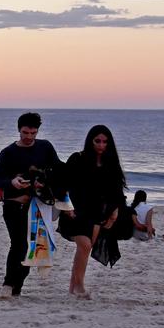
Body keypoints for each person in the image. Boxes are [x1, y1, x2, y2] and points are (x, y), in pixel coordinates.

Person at [0, 113, 61, 298]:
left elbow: (58, 170)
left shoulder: (45, 147)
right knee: (18, 245)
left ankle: (17, 287)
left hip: (39, 207)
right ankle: (8, 284)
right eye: (25, 132)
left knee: (32, 248)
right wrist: (13, 182)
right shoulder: (8, 153)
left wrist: (44, 182)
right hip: (14, 206)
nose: (29, 137)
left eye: (33, 133)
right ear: (18, 130)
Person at [57, 125, 128, 297]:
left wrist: (114, 213)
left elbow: (117, 192)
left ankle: (72, 288)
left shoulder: (111, 164)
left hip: (96, 214)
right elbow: (63, 184)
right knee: (85, 245)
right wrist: (67, 208)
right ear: (90, 140)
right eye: (98, 141)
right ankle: (80, 287)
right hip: (74, 213)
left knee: (84, 251)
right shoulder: (77, 158)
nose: (101, 145)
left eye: (105, 142)